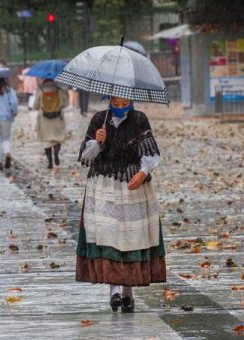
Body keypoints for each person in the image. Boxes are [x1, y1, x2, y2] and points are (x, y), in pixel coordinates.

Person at [75, 96, 166, 313]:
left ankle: (128, 293)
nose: (118, 107)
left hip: (131, 185)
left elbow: (150, 152)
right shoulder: (99, 119)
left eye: (122, 103)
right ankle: (113, 292)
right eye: (114, 104)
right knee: (108, 235)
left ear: (130, 100)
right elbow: (85, 156)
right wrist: (97, 142)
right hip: (103, 185)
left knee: (130, 237)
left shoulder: (139, 119)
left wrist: (143, 173)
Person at [33, 78, 68, 169]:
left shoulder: (40, 89)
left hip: (44, 119)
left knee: (47, 139)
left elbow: (35, 106)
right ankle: (56, 153)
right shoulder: (59, 89)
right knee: (57, 137)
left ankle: (50, 162)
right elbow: (66, 104)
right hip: (57, 118)